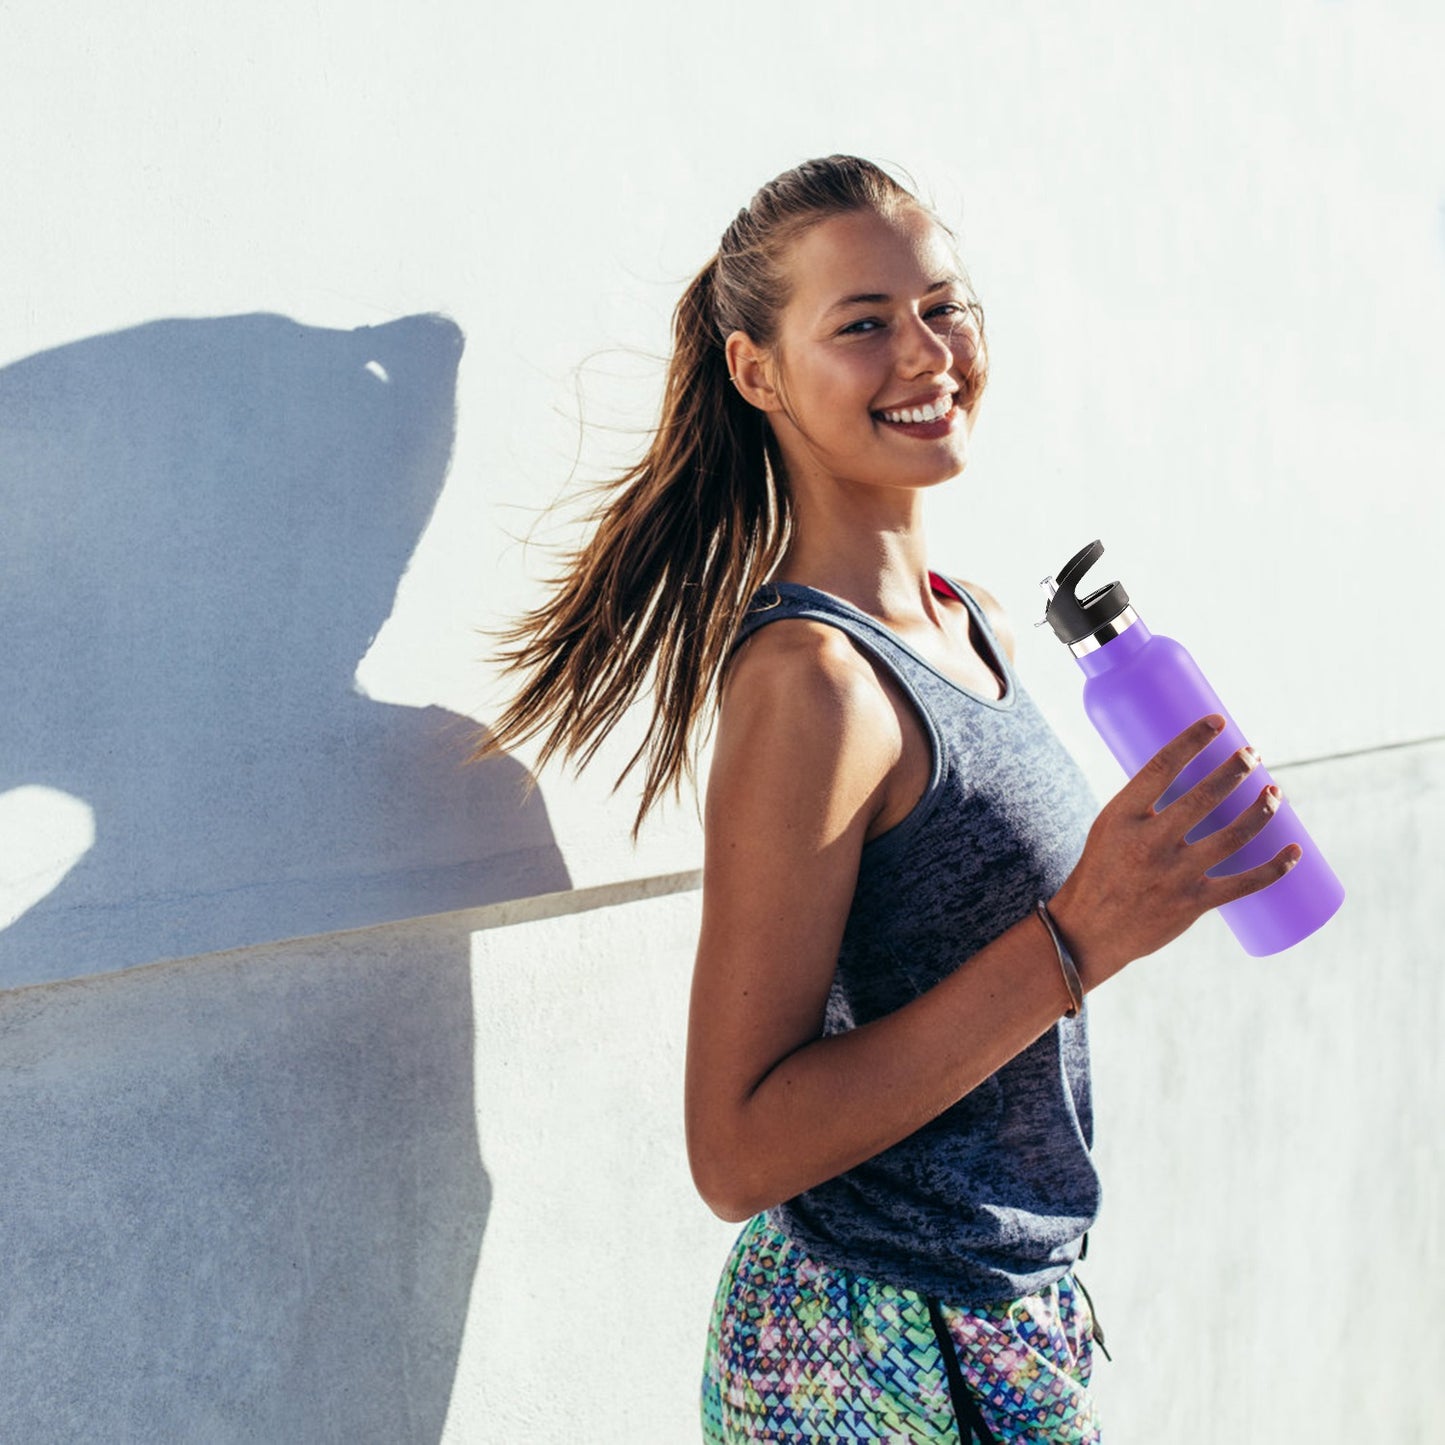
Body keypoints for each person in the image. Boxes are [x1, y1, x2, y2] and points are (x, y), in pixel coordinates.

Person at [479, 155, 1298, 1443]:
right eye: (862, 324)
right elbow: (735, 1153)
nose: (926, 353)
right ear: (759, 373)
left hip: (997, 1321)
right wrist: (1083, 932)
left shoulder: (965, 628)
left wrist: (1149, 886)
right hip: (867, 1353)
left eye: (944, 306)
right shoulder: (813, 684)